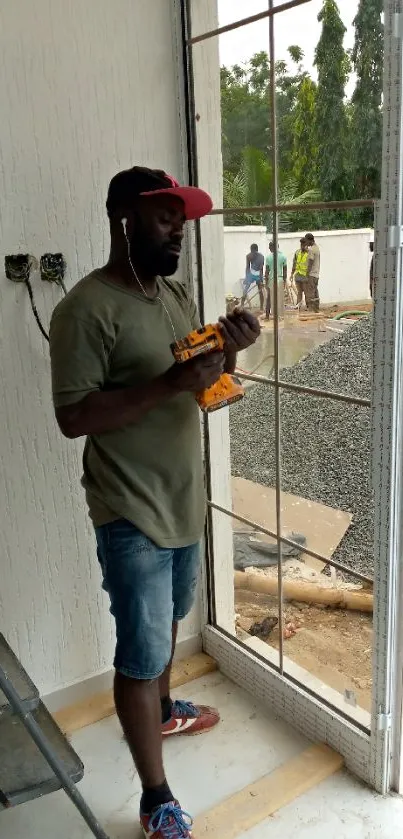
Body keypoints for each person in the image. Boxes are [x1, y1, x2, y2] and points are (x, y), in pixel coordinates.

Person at [49, 166, 260, 839]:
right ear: (124, 218)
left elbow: (200, 385)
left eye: (182, 216)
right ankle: (155, 798)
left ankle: (165, 708)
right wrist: (171, 380)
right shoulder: (83, 309)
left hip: (181, 497)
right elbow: (74, 417)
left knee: (167, 621)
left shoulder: (171, 295)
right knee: (140, 652)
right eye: (166, 216)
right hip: (130, 510)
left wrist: (228, 354)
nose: (179, 228)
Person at [264, 240, 287, 320]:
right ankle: (280, 316)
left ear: (272, 247)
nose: (269, 248)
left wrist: (266, 283)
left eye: (269, 247)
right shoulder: (283, 257)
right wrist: (285, 281)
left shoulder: (268, 257)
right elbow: (285, 271)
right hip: (280, 280)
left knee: (269, 299)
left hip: (271, 280)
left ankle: (267, 316)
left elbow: (266, 272)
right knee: (280, 299)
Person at [241, 243, 264, 310]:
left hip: (251, 274)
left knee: (246, 289)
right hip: (258, 274)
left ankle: (242, 305)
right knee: (260, 291)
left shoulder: (249, 256)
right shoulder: (261, 256)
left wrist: (246, 278)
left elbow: (247, 267)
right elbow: (261, 268)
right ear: (257, 249)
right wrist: (261, 278)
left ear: (251, 249)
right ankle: (261, 307)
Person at [290, 237, 309, 308]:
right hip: (297, 275)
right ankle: (298, 306)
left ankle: (308, 306)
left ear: (306, 244)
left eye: (303, 244)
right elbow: (294, 264)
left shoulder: (309, 253)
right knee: (299, 292)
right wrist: (292, 274)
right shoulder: (297, 252)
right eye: (301, 244)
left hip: (305, 276)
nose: (302, 246)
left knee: (307, 293)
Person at [305, 232, 320, 312]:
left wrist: (307, 274)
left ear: (309, 240)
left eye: (306, 241)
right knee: (315, 291)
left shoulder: (311, 250)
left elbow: (310, 262)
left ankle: (311, 310)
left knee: (310, 292)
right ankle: (316, 309)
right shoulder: (317, 248)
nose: (306, 243)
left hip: (311, 274)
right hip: (316, 274)